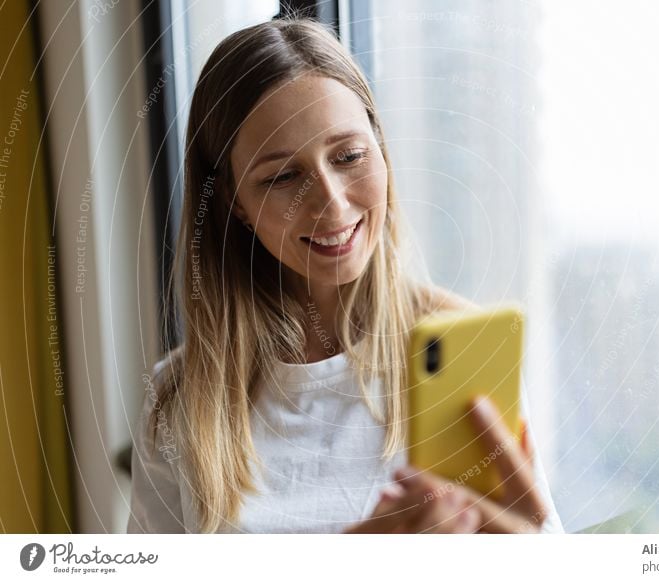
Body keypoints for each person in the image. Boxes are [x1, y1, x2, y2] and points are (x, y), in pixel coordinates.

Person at [127, 16, 564, 535]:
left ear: (380, 149)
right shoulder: (183, 397)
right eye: (283, 176)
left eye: (350, 156)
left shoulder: (467, 354)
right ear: (234, 202)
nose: (332, 204)